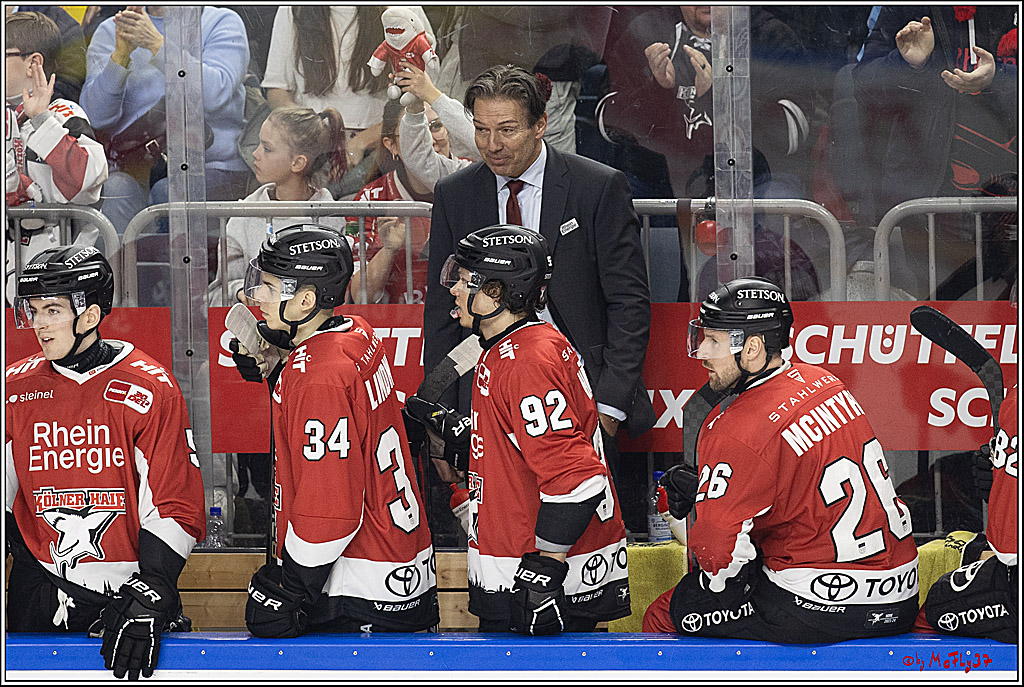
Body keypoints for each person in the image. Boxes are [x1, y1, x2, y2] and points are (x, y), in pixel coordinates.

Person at [643, 276, 920, 642]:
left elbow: (719, 559)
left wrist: (711, 510)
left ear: (753, 347)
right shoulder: (825, 382)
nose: (703, 353)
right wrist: (714, 490)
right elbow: (798, 488)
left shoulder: (734, 430)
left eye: (713, 341)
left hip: (819, 606)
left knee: (666, 613)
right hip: (901, 595)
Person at [423, 65, 655, 482]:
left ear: (540, 125)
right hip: (485, 397)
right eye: (481, 130)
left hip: (581, 396)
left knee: (584, 530)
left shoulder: (597, 187)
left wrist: (609, 409)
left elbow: (629, 303)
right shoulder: (454, 195)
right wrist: (440, 419)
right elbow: (442, 312)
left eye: (507, 130)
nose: (491, 145)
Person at [406, 225, 630, 633]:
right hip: (513, 562)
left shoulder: (527, 361)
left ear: (494, 292)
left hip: (543, 581)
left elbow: (576, 481)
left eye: (463, 280)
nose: (452, 289)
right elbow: (526, 442)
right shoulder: (507, 345)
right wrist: (471, 440)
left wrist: (543, 574)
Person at [5, 246, 206, 679]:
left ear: (91, 316)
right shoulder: (14, 388)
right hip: (37, 591)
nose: (38, 325)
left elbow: (175, 503)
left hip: (125, 597)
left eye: (52, 310)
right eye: (33, 310)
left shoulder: (149, 387)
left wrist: (152, 589)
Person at [232, 225, 439, 636]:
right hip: (400, 566)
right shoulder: (356, 333)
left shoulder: (319, 376)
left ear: (306, 300)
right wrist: (279, 370)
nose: (257, 298)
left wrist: (292, 585)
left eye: (270, 288)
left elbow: (330, 508)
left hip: (358, 586)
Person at [853, 7, 1018, 300]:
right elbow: (863, 85)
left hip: (1009, 200)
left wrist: (1001, 77)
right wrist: (906, 63)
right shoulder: (909, 8)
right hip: (929, 200)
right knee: (936, 315)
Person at [80, 6, 250, 235]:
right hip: (136, 166)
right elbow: (95, 116)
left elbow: (215, 95)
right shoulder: (113, 29)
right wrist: (119, 58)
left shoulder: (221, 21)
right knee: (113, 190)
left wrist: (157, 46)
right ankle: (123, 270)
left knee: (169, 193)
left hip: (210, 164)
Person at [261, 6, 434, 196]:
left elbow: (423, 95)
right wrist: (312, 133)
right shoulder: (293, 9)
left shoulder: (404, 10)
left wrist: (362, 142)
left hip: (384, 149)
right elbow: (277, 91)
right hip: (313, 151)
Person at [5, 11, 108, 305]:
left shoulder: (64, 113)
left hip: (60, 278)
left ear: (33, 63)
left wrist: (41, 120)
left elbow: (88, 180)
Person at [207, 106, 348, 307]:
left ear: (298, 163)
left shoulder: (333, 218)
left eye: (267, 148)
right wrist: (241, 291)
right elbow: (216, 295)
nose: (255, 153)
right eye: (259, 144)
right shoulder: (243, 215)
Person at [349, 99, 433, 304]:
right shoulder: (370, 199)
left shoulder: (477, 184)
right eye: (412, 131)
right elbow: (360, 296)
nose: (429, 139)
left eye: (436, 127)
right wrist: (387, 250)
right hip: (395, 323)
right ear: (391, 145)